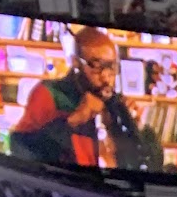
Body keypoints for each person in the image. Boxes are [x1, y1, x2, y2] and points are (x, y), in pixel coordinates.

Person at [9, 27, 150, 172]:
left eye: (111, 67)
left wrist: (135, 129)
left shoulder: (113, 103)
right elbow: (20, 148)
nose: (106, 77)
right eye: (96, 66)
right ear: (76, 63)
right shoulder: (50, 94)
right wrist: (74, 120)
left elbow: (139, 164)